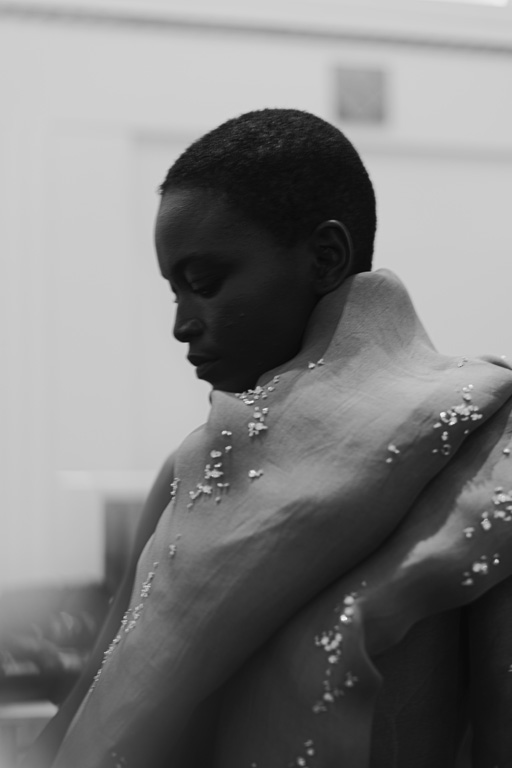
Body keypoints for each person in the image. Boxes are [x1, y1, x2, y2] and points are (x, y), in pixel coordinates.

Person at [25, 109, 512, 768]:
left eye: (204, 284)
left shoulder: (486, 451)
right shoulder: (196, 466)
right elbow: (99, 691)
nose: (182, 325)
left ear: (326, 257)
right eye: (175, 291)